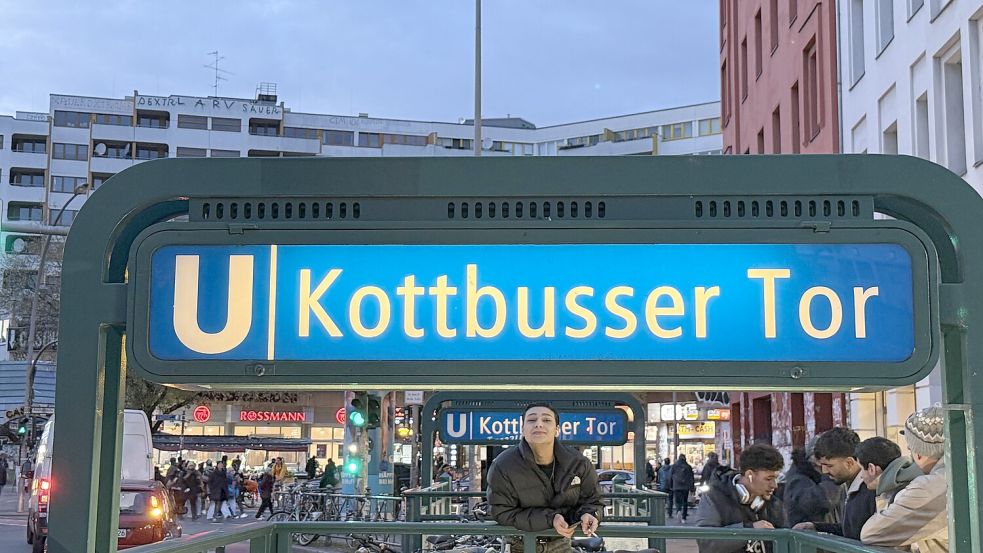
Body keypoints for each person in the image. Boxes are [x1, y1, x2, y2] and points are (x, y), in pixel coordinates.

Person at [487, 402, 604, 553]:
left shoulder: (578, 463)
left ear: (557, 430)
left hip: (561, 542)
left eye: (547, 420)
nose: (539, 424)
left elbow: (593, 501)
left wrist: (590, 514)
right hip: (518, 543)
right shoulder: (503, 465)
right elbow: (501, 512)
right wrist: (551, 519)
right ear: (523, 429)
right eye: (531, 420)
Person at [861, 406, 948, 552]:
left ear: (919, 454)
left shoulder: (930, 487)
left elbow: (873, 533)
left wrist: (898, 498)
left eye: (910, 449)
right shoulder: (959, 475)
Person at [693, 443, 786, 553]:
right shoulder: (714, 497)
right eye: (769, 479)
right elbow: (707, 543)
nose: (774, 485)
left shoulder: (773, 503)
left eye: (776, 478)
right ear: (749, 475)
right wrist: (750, 530)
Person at [794, 427, 874, 541]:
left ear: (849, 463)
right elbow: (851, 530)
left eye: (829, 466)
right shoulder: (853, 486)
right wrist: (816, 527)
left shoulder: (870, 490)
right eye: (821, 465)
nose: (824, 471)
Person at [855, 436, 921, 505]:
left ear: (872, 469)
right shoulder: (910, 481)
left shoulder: (901, 496)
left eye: (861, 469)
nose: (861, 476)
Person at [782, 447, 837, 527]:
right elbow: (819, 502)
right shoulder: (798, 480)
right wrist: (829, 474)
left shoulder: (813, 477)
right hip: (807, 535)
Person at [669, 454, 696, 522]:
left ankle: (678, 510)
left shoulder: (674, 466)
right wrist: (692, 487)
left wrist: (671, 485)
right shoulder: (688, 466)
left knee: (678, 501)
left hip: (676, 486)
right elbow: (691, 478)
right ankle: (684, 517)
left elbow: (670, 476)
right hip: (685, 487)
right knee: (685, 501)